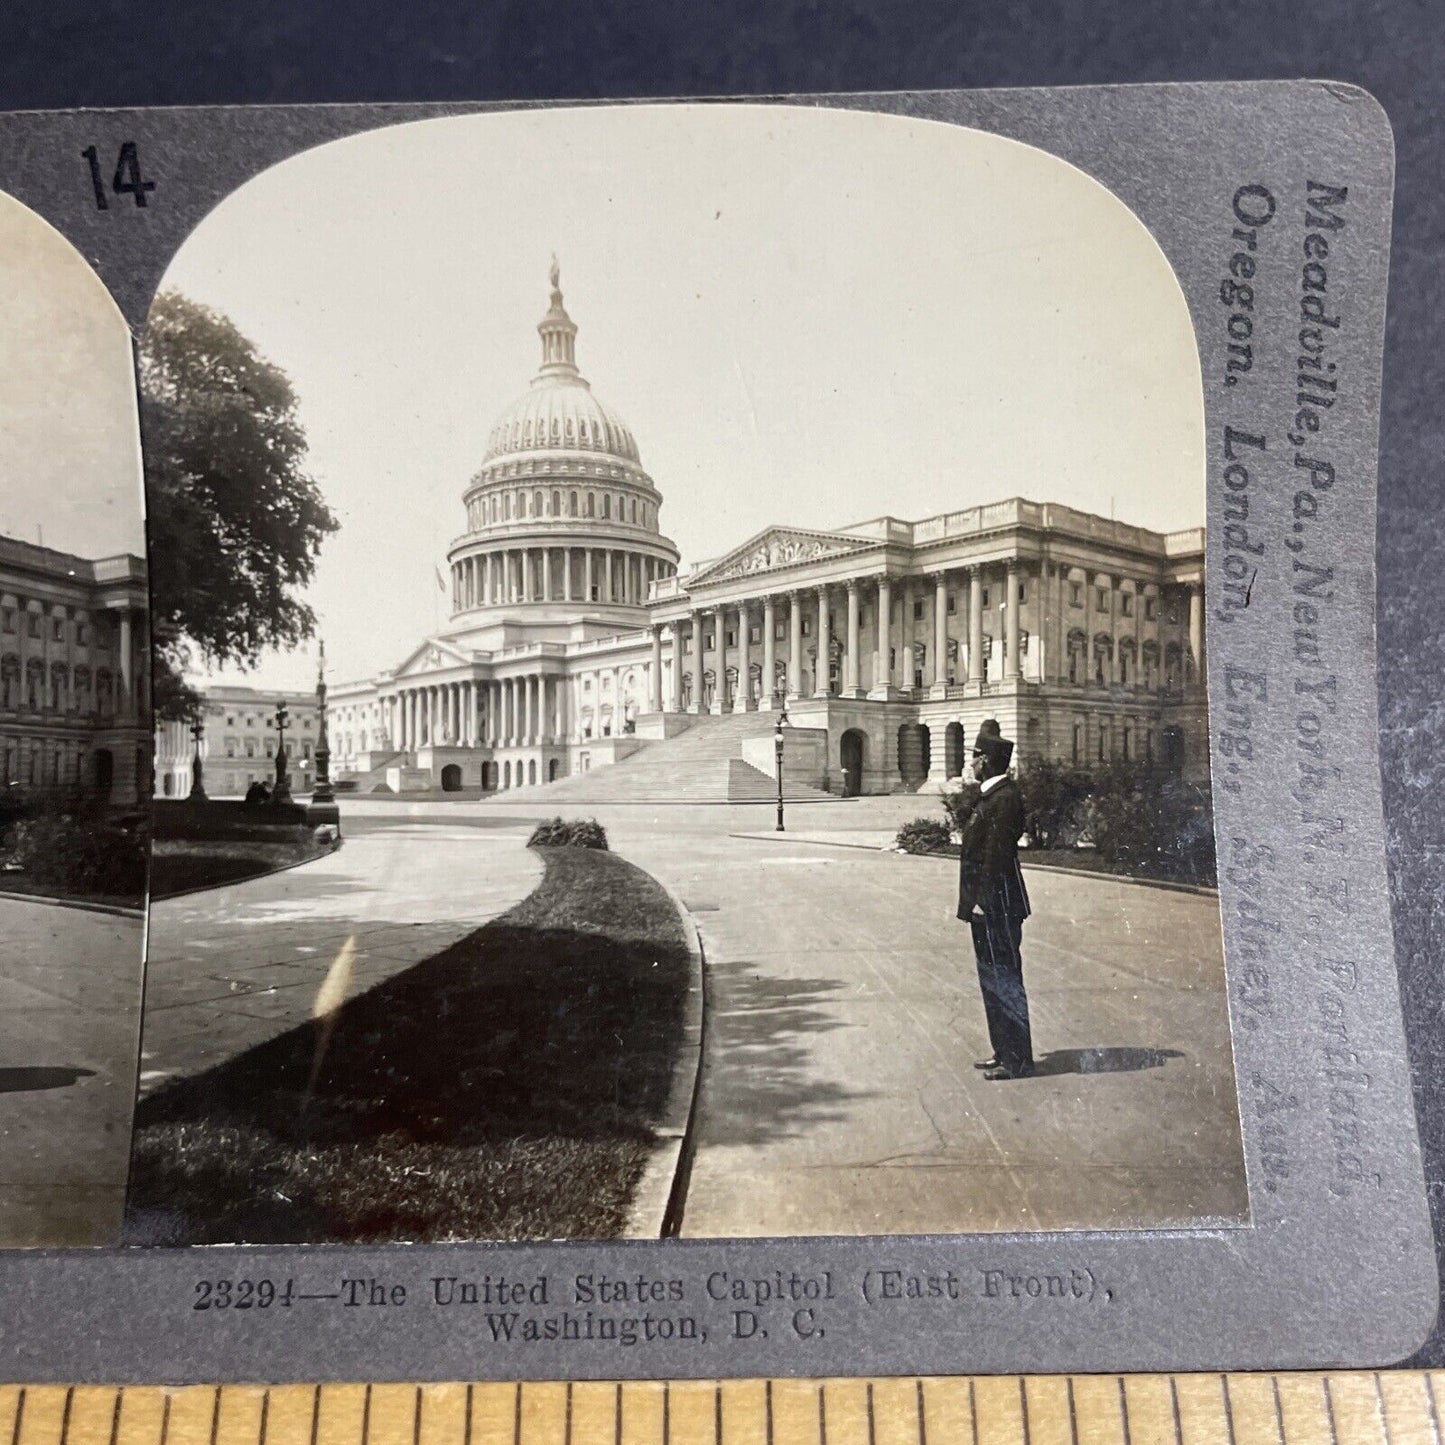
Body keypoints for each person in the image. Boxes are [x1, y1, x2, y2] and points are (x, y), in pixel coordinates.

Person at [956, 723, 1035, 1080]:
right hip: (990, 905)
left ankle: (1017, 1060)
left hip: (996, 905)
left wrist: (980, 902)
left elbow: (996, 857)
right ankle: (1004, 1050)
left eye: (974, 757)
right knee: (992, 978)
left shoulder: (1004, 799)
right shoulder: (993, 796)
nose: (970, 763)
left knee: (1004, 979)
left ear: (986, 761)